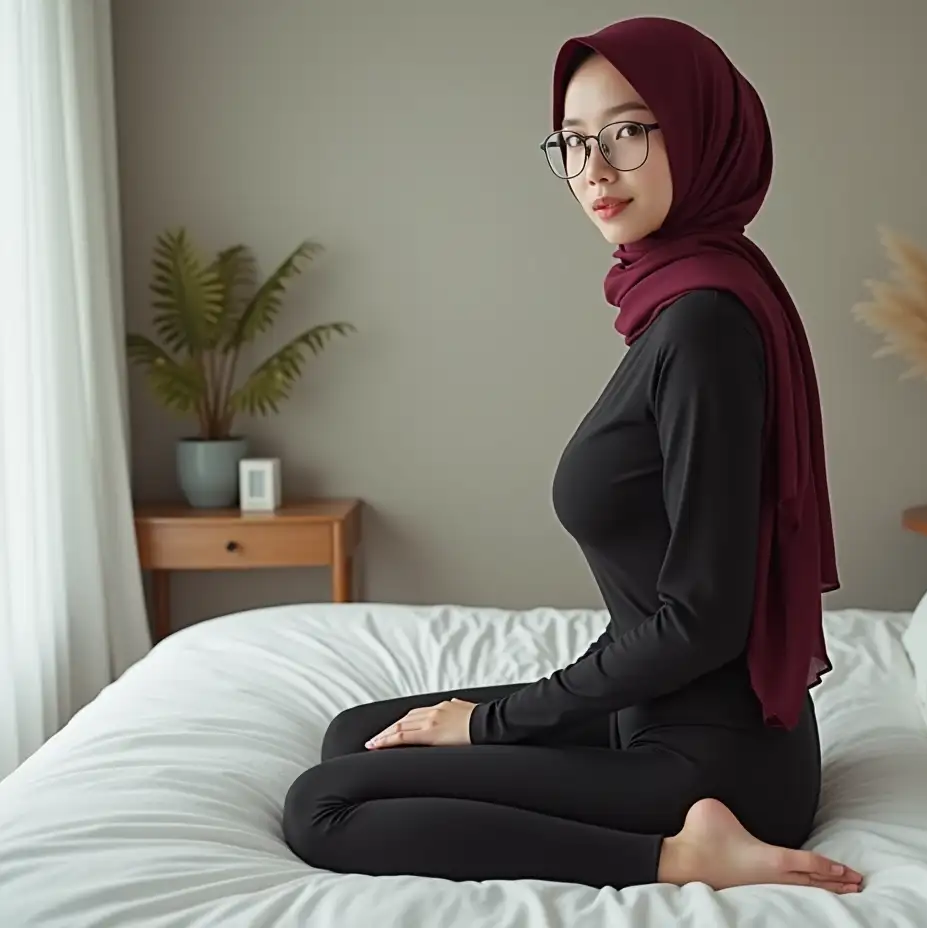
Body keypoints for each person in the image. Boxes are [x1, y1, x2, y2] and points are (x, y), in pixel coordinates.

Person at [281, 15, 858, 894]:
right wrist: (490, 722)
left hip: (714, 766)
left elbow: (702, 616)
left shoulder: (706, 323)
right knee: (355, 736)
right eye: (575, 141)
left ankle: (681, 856)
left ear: (700, 132)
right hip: (653, 715)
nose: (595, 170)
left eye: (628, 132)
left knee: (325, 806)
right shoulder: (683, 298)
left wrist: (491, 722)